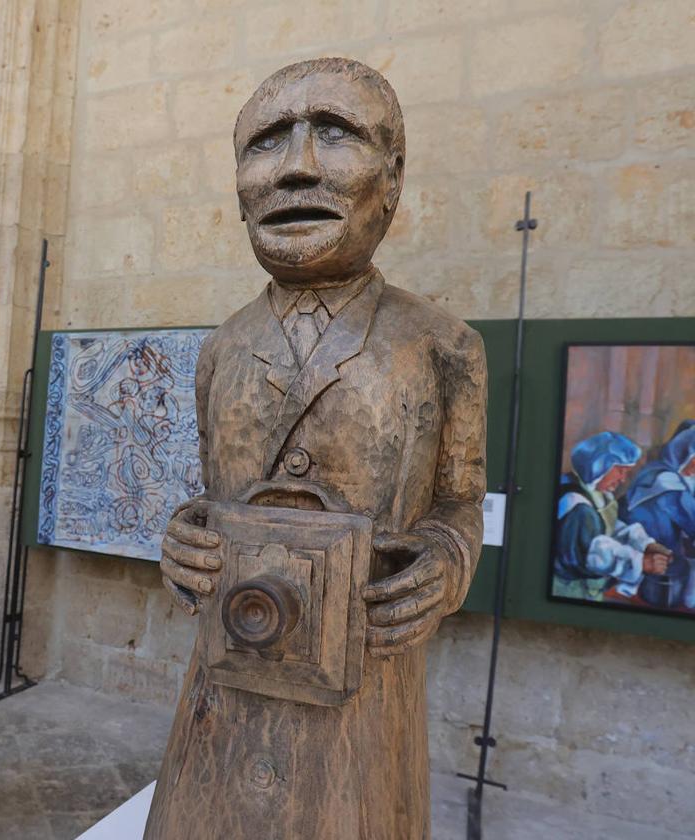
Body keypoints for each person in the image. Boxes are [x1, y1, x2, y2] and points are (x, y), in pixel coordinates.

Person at [147, 58, 487, 838]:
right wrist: (187, 537)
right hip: (226, 683)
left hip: (361, 701)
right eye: (267, 142)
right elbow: (216, 499)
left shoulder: (442, 344)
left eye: (334, 133)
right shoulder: (222, 347)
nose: (297, 166)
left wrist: (443, 562)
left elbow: (461, 498)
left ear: (392, 177)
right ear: (238, 187)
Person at [553, 431, 671, 601]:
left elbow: (608, 527)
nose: (623, 479)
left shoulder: (595, 493)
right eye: (620, 471)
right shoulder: (576, 504)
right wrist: (640, 562)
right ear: (598, 466)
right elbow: (593, 552)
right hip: (569, 592)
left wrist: (644, 544)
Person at [624, 424, 695, 608]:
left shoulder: (658, 469)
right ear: (684, 453)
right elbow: (691, 519)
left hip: (642, 545)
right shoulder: (667, 482)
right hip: (646, 551)